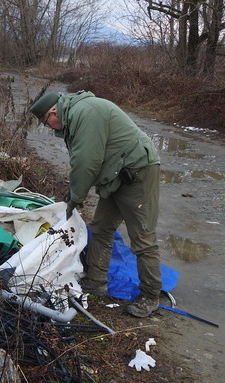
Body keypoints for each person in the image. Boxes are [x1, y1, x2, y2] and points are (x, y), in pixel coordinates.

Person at [30, 91, 162, 318]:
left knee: (142, 238)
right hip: (116, 174)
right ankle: (96, 281)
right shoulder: (73, 117)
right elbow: (81, 160)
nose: (49, 128)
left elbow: (87, 162)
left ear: (53, 111)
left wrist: (75, 198)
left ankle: (150, 296)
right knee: (101, 228)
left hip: (138, 171)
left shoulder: (85, 112)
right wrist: (73, 191)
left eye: (46, 122)